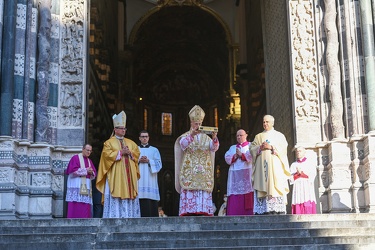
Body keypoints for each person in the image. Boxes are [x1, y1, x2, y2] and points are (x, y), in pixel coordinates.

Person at [174, 105, 219, 216]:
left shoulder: (206, 138)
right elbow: (183, 145)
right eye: (196, 124)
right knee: (190, 188)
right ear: (191, 123)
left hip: (203, 172)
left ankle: (203, 210)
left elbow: (214, 148)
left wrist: (214, 139)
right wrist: (191, 136)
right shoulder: (185, 136)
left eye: (199, 124)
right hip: (190, 171)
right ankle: (189, 210)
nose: (198, 126)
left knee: (202, 189)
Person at [96, 111, 141, 218]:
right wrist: (121, 153)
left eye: (124, 129)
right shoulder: (109, 143)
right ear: (115, 129)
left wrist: (130, 153)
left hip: (129, 175)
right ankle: (114, 216)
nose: (123, 130)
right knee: (115, 193)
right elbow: (106, 156)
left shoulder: (131, 143)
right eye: (121, 128)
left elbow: (137, 154)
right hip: (115, 175)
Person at [250, 115, 291, 215]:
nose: (265, 124)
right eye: (264, 122)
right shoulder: (258, 136)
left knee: (275, 183)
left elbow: (283, 148)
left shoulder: (279, 135)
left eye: (267, 122)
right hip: (261, 167)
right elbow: (252, 148)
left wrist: (271, 147)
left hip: (275, 166)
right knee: (263, 184)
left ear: (272, 123)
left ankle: (276, 208)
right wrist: (260, 148)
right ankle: (263, 209)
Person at [224, 129, 254, 215]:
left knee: (248, 191)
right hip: (235, 176)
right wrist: (235, 156)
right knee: (235, 193)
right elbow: (227, 158)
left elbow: (253, 155)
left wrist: (242, 155)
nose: (239, 137)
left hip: (247, 173)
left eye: (241, 135)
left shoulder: (251, 146)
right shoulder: (233, 148)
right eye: (237, 136)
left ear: (246, 135)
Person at [65, 144, 97, 218]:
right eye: (87, 150)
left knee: (85, 207)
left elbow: (94, 173)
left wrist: (91, 172)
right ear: (83, 149)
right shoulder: (75, 158)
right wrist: (86, 170)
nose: (89, 152)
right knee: (75, 205)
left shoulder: (89, 161)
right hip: (76, 184)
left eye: (90, 151)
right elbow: (72, 171)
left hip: (86, 186)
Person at [138, 130, 162, 217]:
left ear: (148, 138)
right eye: (143, 137)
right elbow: (130, 163)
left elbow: (159, 165)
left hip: (150, 179)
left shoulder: (154, 150)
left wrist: (149, 161)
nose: (144, 138)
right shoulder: (135, 149)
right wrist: (139, 160)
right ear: (139, 138)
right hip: (139, 179)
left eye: (146, 136)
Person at [290, 146, 317, 214]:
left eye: (300, 151)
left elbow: (312, 175)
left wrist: (302, 173)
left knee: (307, 199)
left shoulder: (309, 163)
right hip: (297, 186)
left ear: (304, 152)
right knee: (298, 200)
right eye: (297, 151)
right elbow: (290, 178)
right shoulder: (293, 164)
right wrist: (297, 173)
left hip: (306, 185)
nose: (298, 152)